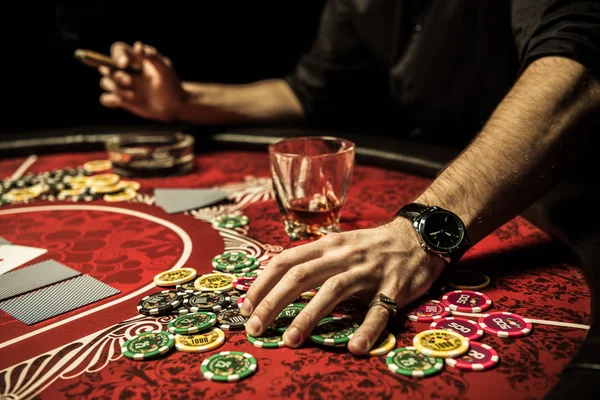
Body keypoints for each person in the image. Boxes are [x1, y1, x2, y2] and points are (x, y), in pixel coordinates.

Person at [97, 0, 600, 355]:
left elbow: (579, 65)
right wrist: (183, 101)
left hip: (560, 200)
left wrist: (419, 232)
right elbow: (312, 91)